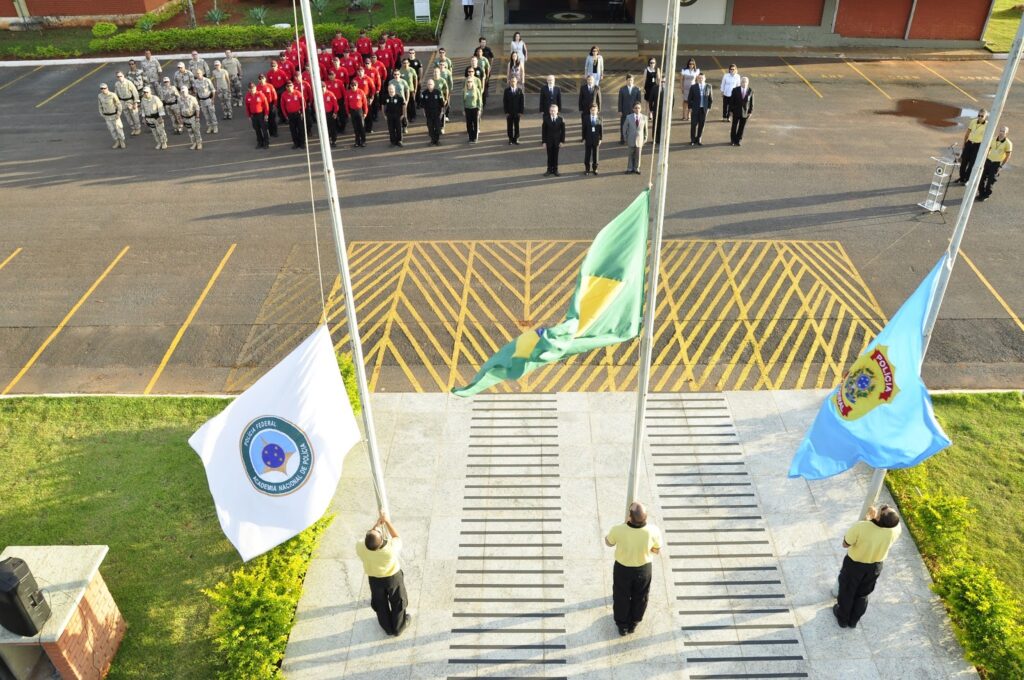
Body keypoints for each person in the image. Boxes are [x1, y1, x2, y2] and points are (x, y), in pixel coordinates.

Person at [834, 505, 901, 629]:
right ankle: (853, 621)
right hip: (875, 566)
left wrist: (867, 519)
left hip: (855, 565)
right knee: (863, 594)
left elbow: (845, 544)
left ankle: (842, 618)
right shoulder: (895, 529)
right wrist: (873, 519)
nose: (886, 506)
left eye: (884, 509)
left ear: (879, 517)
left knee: (847, 591)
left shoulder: (861, 526)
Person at [605, 502, 662, 636]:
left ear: (629, 516)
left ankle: (622, 625)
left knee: (621, 595)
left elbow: (608, 542)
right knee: (641, 596)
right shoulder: (653, 530)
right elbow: (656, 550)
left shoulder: (618, 529)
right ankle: (634, 622)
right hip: (643, 569)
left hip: (623, 569)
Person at [356, 512, 411, 637]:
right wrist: (386, 522)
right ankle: (398, 627)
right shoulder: (390, 550)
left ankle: (387, 628)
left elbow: (370, 538)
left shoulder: (360, 546)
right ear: (381, 542)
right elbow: (397, 537)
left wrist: (377, 525)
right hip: (392, 578)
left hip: (375, 579)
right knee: (397, 601)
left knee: (380, 603)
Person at [977, 126, 1012, 202]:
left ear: (1006, 133)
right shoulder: (993, 139)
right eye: (1001, 130)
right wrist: (985, 159)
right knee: (981, 178)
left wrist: (1001, 166)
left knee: (990, 181)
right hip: (988, 161)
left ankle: (986, 195)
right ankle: (981, 193)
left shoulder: (1008, 143)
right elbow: (988, 149)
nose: (1001, 132)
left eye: (1004, 131)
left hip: (996, 164)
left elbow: (1008, 156)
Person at [956, 109, 988, 184]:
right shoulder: (973, 121)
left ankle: (966, 180)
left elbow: (987, 138)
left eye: (982, 116)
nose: (980, 117)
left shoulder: (987, 125)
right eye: (979, 115)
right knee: (963, 162)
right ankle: (962, 178)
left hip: (977, 145)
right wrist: (964, 144)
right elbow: (967, 133)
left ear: (985, 117)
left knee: (971, 164)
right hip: (969, 143)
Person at [113, 71, 142, 137]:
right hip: (122, 102)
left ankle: (138, 128)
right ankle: (133, 128)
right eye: (118, 76)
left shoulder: (129, 83)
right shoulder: (117, 84)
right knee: (128, 117)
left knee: (135, 116)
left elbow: (135, 92)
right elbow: (116, 94)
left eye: (120, 76)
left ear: (123, 76)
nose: (119, 77)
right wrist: (116, 103)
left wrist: (135, 102)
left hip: (130, 101)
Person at [97, 83, 126, 149]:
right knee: (112, 130)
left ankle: (122, 141)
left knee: (119, 129)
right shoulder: (99, 96)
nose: (103, 90)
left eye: (104, 88)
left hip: (114, 115)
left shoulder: (112, 95)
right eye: (102, 88)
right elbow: (100, 105)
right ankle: (117, 141)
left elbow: (119, 105)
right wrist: (102, 114)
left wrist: (118, 114)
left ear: (107, 88)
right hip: (107, 116)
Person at [139, 86, 168, 150]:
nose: (145, 93)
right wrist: (143, 118)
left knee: (160, 131)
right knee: (154, 132)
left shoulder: (155, 98)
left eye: (147, 92)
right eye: (144, 92)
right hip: (149, 119)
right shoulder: (143, 99)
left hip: (157, 118)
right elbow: (143, 109)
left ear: (150, 92)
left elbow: (160, 108)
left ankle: (163, 142)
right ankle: (159, 143)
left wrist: (161, 117)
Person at [687, 73, 712, 146]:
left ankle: (699, 138)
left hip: (703, 109)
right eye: (699, 78)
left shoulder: (708, 87)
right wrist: (690, 108)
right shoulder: (693, 87)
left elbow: (710, 99)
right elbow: (689, 98)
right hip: (695, 109)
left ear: (705, 78)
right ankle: (692, 139)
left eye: (702, 78)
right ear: (697, 79)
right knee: (693, 124)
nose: (700, 79)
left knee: (702, 124)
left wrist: (708, 108)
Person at [245, 81, 271, 149]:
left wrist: (266, 114)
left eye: (253, 88)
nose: (252, 89)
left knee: (264, 129)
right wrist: (249, 116)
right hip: (253, 115)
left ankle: (266, 143)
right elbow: (247, 107)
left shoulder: (260, 94)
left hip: (261, 114)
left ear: (255, 88)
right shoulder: (247, 96)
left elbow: (266, 105)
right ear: (248, 89)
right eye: (250, 88)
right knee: (257, 129)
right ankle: (260, 142)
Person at [280, 81, 306, 149]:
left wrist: (302, 113)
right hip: (290, 115)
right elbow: (282, 106)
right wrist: (285, 116)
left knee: (301, 129)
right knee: (293, 130)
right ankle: (296, 143)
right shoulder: (284, 95)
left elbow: (303, 103)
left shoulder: (298, 93)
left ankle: (302, 143)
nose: (289, 87)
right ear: (286, 87)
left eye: (290, 85)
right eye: (288, 86)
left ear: (293, 86)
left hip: (298, 113)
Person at [541, 104, 565, 177]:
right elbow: (543, 131)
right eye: (551, 111)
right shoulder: (546, 119)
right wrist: (544, 142)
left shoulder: (561, 119)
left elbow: (563, 131)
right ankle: (549, 170)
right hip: (549, 141)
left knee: (556, 156)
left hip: (557, 142)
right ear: (549, 111)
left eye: (554, 111)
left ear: (557, 111)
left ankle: (555, 170)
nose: (553, 112)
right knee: (549, 156)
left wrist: (562, 141)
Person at [729, 76, 753, 146]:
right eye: (743, 82)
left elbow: (751, 102)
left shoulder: (750, 91)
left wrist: (750, 111)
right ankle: (733, 140)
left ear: (748, 83)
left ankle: (738, 140)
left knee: (741, 127)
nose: (744, 83)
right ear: (740, 82)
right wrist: (730, 111)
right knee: (734, 126)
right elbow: (731, 101)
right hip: (736, 112)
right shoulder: (735, 90)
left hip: (745, 113)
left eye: (745, 82)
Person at [623, 102, 647, 174]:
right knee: (630, 155)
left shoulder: (644, 117)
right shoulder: (628, 117)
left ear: (641, 109)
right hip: (630, 139)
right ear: (633, 109)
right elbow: (624, 128)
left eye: (639, 108)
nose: (637, 109)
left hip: (640, 140)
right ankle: (630, 168)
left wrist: (645, 138)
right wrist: (625, 137)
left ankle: (637, 168)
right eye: (636, 108)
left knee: (638, 155)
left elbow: (645, 129)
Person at [345, 79, 369, 148]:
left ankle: (363, 141)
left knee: (362, 126)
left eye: (355, 85)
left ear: (357, 85)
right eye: (352, 85)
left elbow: (365, 103)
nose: (353, 87)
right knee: (355, 128)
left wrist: (365, 112)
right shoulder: (348, 93)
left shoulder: (361, 92)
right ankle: (357, 141)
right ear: (350, 86)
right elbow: (346, 104)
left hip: (359, 111)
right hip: (352, 111)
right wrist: (348, 113)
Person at [617, 74, 641, 144]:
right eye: (628, 80)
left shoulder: (637, 89)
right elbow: (620, 101)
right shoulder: (622, 89)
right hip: (624, 111)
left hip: (634, 111)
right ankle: (622, 139)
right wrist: (620, 110)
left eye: (631, 80)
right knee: (623, 125)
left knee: (633, 126)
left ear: (633, 81)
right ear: (626, 81)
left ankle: (633, 139)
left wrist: (638, 110)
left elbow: (639, 101)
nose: (630, 81)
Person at [193, 70, 218, 134]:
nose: (198, 75)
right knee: (206, 114)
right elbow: (196, 92)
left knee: (212, 113)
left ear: (202, 73)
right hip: (201, 100)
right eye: (197, 74)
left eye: (199, 73)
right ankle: (210, 126)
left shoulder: (207, 80)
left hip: (208, 99)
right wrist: (197, 101)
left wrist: (212, 99)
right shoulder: (195, 82)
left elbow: (213, 90)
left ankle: (215, 126)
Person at [421, 79, 444, 145]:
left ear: (433, 85)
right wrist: (424, 112)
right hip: (429, 114)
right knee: (430, 127)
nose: (429, 85)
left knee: (437, 127)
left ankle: (437, 140)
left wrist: (441, 112)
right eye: (428, 84)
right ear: (427, 85)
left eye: (431, 84)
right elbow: (422, 105)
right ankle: (432, 140)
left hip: (437, 113)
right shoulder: (424, 93)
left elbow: (441, 104)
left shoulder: (438, 92)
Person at [503, 75, 524, 144]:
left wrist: (521, 112)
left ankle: (516, 138)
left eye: (514, 81)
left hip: (517, 112)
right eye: (511, 81)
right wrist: (506, 112)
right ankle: (510, 139)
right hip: (509, 112)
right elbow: (505, 102)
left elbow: (522, 102)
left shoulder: (520, 91)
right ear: (509, 82)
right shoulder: (506, 91)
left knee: (517, 126)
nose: (513, 83)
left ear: (516, 82)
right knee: (509, 126)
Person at [583, 103, 602, 175]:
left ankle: (595, 169)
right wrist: (583, 138)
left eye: (595, 110)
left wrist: (601, 139)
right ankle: (587, 169)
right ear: (590, 110)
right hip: (588, 139)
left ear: (597, 110)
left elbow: (601, 130)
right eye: (592, 110)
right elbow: (584, 129)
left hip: (596, 139)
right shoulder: (586, 118)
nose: (593, 111)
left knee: (595, 155)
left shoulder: (599, 118)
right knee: (587, 155)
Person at [399, 58, 419, 122]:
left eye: (407, 63)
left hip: (411, 89)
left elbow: (415, 80)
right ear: (402, 64)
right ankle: (407, 117)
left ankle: (413, 116)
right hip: (403, 90)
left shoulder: (412, 70)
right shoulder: (400, 71)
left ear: (409, 63)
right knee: (405, 104)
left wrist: (415, 89)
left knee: (412, 103)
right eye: (404, 63)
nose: (405, 64)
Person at [463, 77, 482, 143]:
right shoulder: (464, 90)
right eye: (468, 82)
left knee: (475, 123)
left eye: (470, 81)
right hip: (467, 109)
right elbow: (463, 101)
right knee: (469, 124)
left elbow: (479, 100)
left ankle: (475, 138)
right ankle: (470, 137)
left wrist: (479, 109)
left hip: (474, 109)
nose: (469, 83)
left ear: (473, 82)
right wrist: (463, 110)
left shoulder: (476, 90)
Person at [322, 83, 341, 148]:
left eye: (323, 87)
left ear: (325, 87)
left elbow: (336, 105)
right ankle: (327, 141)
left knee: (332, 128)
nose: (322, 88)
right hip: (322, 114)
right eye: (321, 87)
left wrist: (335, 112)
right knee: (325, 128)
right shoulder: (318, 95)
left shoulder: (330, 94)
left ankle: (334, 141)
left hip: (330, 113)